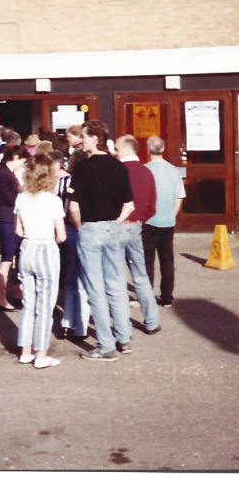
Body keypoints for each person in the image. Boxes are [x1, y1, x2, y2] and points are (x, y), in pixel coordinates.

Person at [68, 120, 135, 361]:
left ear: (95, 138)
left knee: (95, 288)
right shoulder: (119, 167)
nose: (81, 140)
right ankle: (124, 338)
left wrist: (81, 227)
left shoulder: (82, 168)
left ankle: (106, 345)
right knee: (116, 285)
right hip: (113, 229)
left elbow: (74, 207)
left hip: (91, 229)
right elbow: (130, 204)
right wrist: (115, 222)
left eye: (84, 136)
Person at [14, 153, 67, 369]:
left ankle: (25, 351)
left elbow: (18, 230)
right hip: (46, 249)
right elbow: (61, 235)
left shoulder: (21, 197)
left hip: (27, 248)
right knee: (45, 306)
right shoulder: (53, 200)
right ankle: (41, 355)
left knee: (28, 305)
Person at [114, 135, 161, 334]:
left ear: (126, 149)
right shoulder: (147, 171)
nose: (114, 152)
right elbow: (152, 205)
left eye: (116, 148)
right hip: (136, 227)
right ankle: (152, 321)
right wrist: (141, 218)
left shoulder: (116, 171)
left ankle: (123, 327)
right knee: (140, 276)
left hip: (116, 225)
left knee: (116, 278)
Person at [52, 149, 91, 342]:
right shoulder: (88, 181)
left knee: (70, 279)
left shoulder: (61, 183)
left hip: (65, 229)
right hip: (83, 227)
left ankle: (66, 323)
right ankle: (81, 326)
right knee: (83, 280)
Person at [143, 135, 185, 308]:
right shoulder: (174, 170)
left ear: (148, 150)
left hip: (149, 221)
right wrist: (172, 214)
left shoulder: (145, 170)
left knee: (147, 261)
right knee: (167, 260)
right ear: (164, 149)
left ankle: (146, 295)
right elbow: (179, 196)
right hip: (168, 221)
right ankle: (167, 297)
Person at [0, 145, 28, 311]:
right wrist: (25, 193)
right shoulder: (3, 174)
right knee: (7, 258)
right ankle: (1, 298)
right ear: (15, 158)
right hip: (7, 219)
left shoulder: (8, 173)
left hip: (9, 218)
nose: (23, 164)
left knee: (15, 259)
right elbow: (9, 198)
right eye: (22, 160)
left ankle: (17, 295)